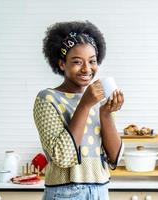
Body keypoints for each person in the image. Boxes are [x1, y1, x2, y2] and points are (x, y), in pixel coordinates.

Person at [33, 20, 124, 200]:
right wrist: (85, 104)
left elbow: (114, 158)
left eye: (92, 61)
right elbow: (63, 157)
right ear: (61, 64)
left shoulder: (98, 101)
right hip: (65, 193)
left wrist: (105, 114)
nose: (86, 69)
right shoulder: (47, 99)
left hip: (100, 191)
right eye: (77, 62)